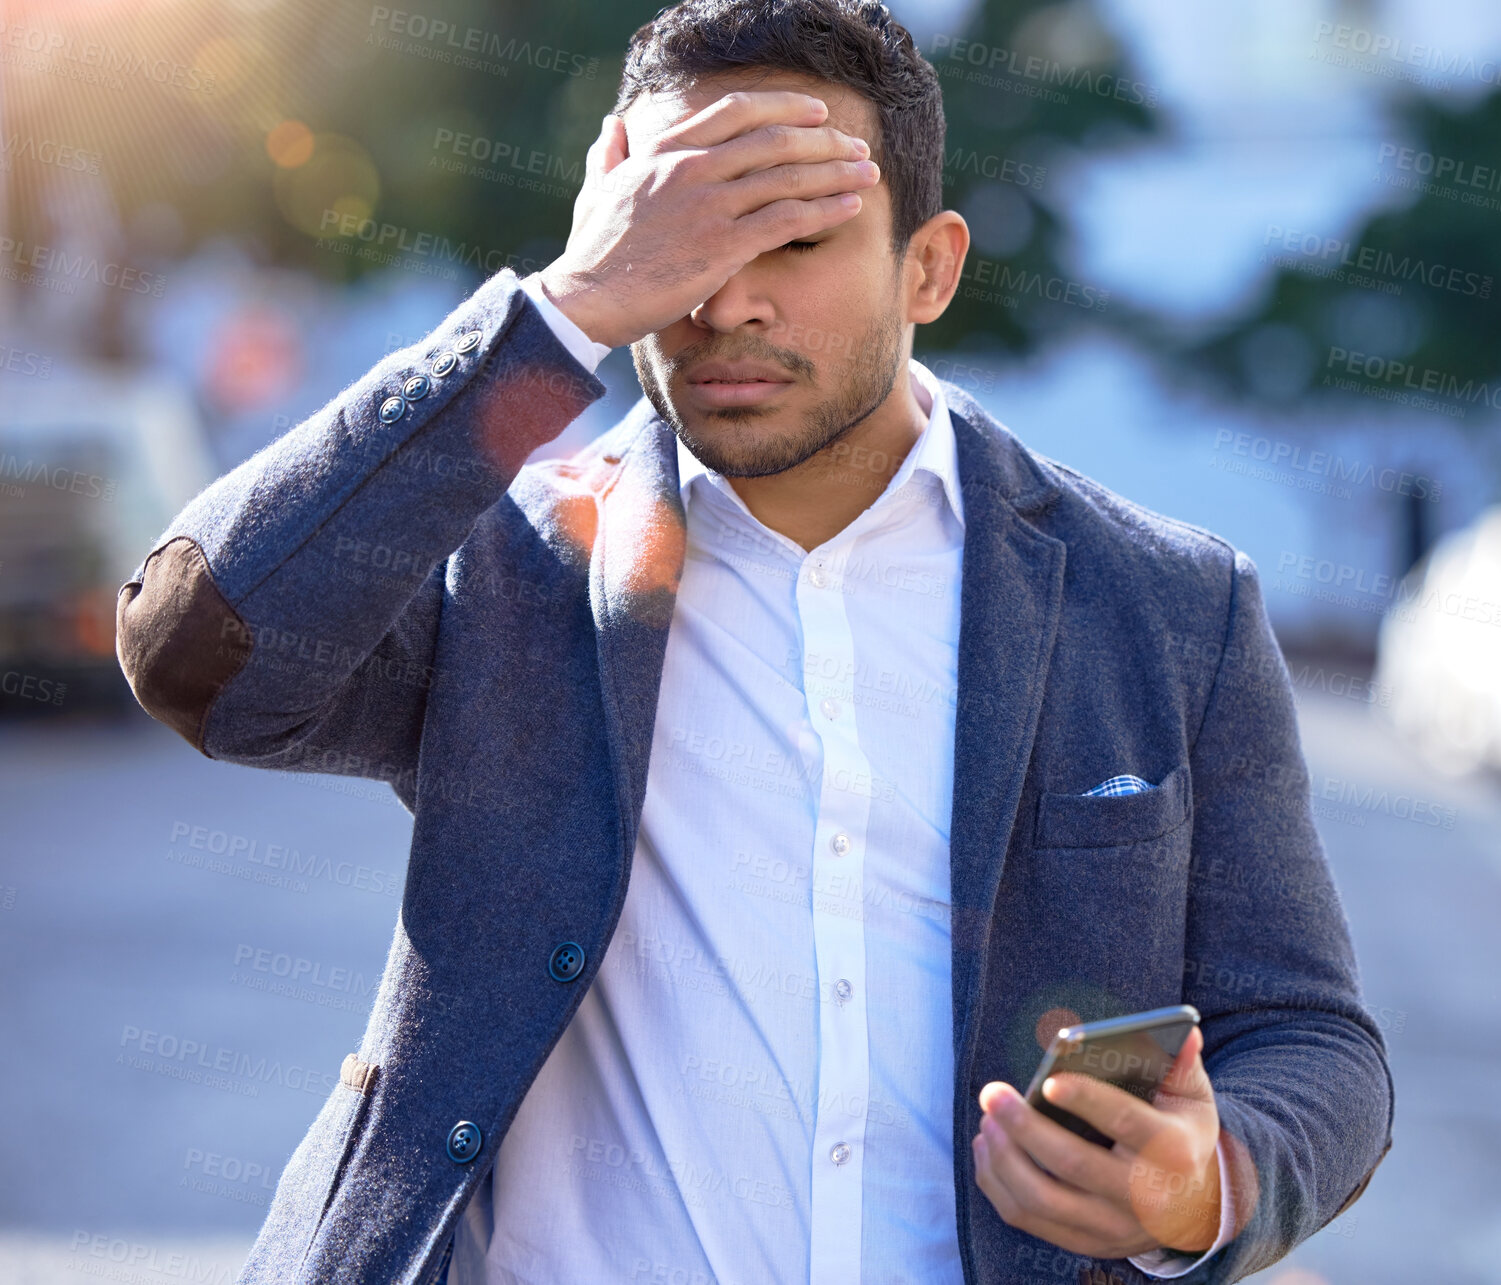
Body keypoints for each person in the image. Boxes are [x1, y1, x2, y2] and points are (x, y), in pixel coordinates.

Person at [115, 2, 1393, 1282]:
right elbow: (199, 655)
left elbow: (1308, 1038)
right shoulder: (512, 565)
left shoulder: (1166, 607)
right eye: (681, 235)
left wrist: (1205, 1184)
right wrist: (562, 311)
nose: (723, 300)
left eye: (790, 236)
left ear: (928, 269)